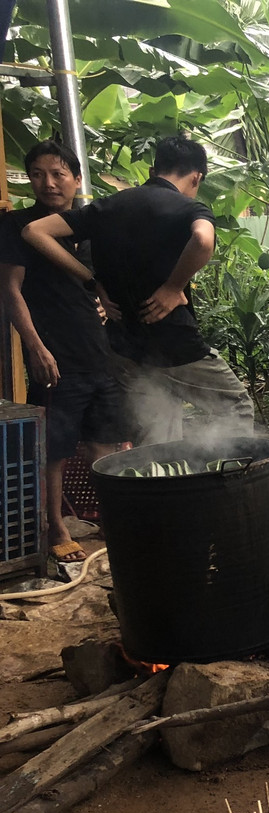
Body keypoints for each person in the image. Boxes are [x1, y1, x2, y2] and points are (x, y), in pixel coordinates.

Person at [22, 135, 253, 445]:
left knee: (158, 426)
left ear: (154, 169)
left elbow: (34, 231)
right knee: (236, 405)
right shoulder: (189, 208)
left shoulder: (109, 206)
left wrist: (92, 281)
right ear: (196, 177)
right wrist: (173, 287)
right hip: (173, 342)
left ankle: (160, 491)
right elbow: (203, 241)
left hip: (124, 346)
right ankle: (234, 485)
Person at [0, 139, 125, 563]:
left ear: (75, 179)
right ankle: (54, 526)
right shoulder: (18, 226)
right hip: (56, 358)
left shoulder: (88, 228)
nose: (48, 182)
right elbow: (11, 291)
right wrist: (34, 346)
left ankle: (111, 517)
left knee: (102, 444)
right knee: (53, 449)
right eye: (38, 174)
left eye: (58, 174)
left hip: (99, 355)